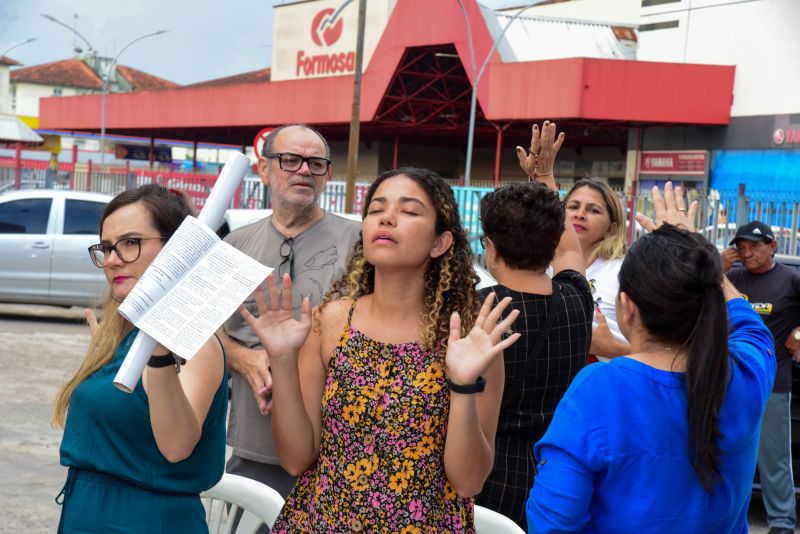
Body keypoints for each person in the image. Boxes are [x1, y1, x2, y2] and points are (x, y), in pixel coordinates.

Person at [240, 167, 521, 532]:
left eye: (409, 211)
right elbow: (296, 459)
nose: (387, 217)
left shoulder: (469, 337)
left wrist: (463, 386)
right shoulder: (331, 320)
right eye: (376, 209)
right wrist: (281, 360)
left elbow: (468, 482)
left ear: (440, 242)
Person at [527, 182, 776, 533]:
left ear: (626, 307)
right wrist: (695, 250)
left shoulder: (599, 389)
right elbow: (748, 324)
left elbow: (553, 520)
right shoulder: (745, 373)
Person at [53, 184, 228, 533]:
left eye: (131, 243)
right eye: (106, 247)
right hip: (85, 512)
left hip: (146, 520)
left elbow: (177, 446)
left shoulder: (194, 343)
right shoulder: (119, 334)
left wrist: (159, 352)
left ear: (176, 250)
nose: (113, 259)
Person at [222, 124, 361, 501]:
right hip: (254, 451)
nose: (304, 170)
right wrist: (242, 357)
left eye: (316, 163)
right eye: (290, 160)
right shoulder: (234, 246)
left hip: (339, 453)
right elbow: (204, 330)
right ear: (264, 169)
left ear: (328, 174)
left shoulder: (360, 244)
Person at [476, 123, 593, 529]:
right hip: (556, 477)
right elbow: (567, 249)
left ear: (490, 247)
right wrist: (544, 179)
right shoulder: (577, 299)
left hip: (488, 480)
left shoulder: (478, 314)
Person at [516, 126, 630, 361]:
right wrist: (540, 181)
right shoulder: (539, 265)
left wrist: (614, 350)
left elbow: (663, 351)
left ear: (612, 228)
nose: (579, 215)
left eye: (593, 210)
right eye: (573, 207)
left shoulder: (624, 272)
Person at [723, 220, 800, 534]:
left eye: (755, 245)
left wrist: (798, 332)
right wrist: (717, 266)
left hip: (773, 384)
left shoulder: (790, 280)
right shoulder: (732, 278)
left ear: (773, 247)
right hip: (728, 382)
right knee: (729, 454)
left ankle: (781, 523)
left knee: (774, 458)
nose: (747, 252)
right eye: (741, 246)